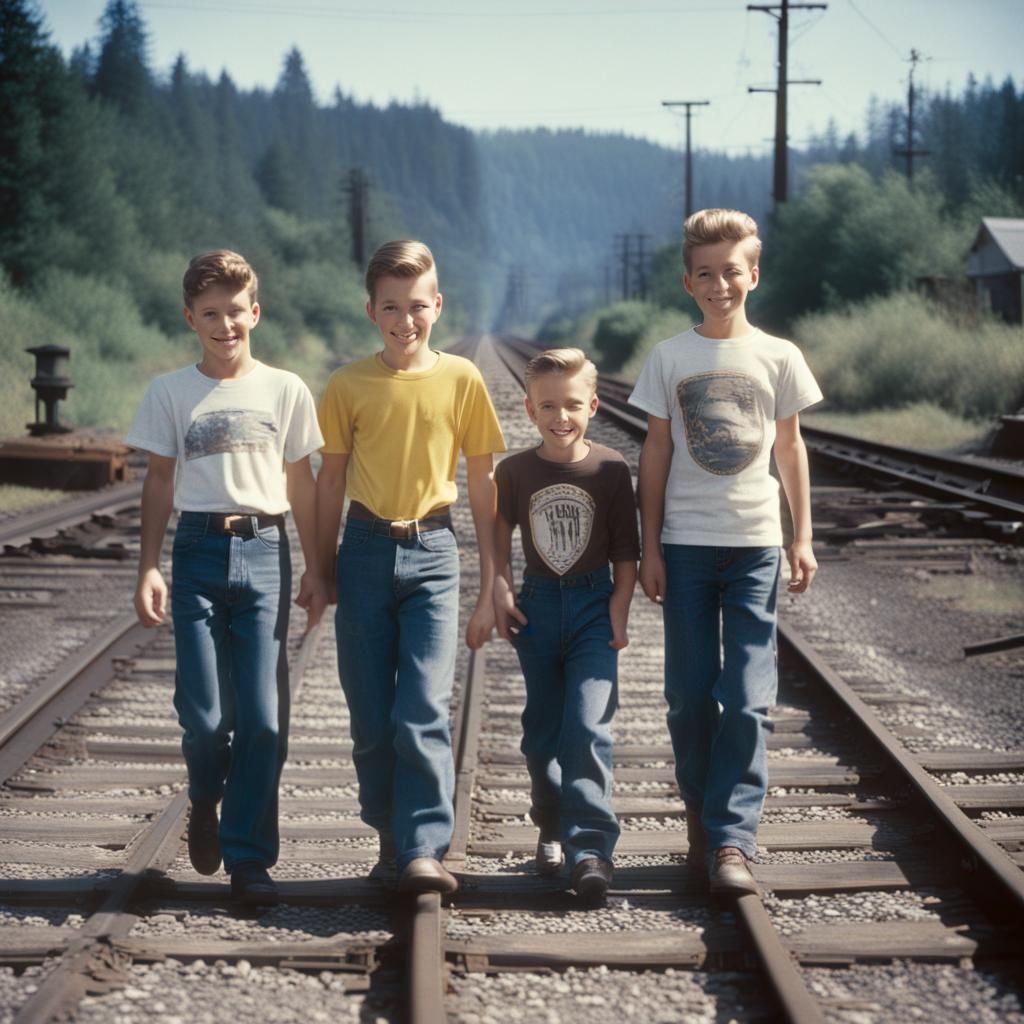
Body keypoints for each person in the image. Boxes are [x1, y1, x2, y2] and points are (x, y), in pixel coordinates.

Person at [628, 208, 822, 895]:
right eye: (705, 274)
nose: (719, 285)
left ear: (753, 274)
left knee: (745, 698)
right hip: (683, 548)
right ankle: (699, 818)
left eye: (731, 272)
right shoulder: (670, 357)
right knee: (686, 695)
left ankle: (733, 840)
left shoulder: (778, 356)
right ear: (688, 281)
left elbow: (792, 448)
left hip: (753, 547)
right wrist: (648, 545)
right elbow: (654, 453)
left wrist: (801, 535)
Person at [128, 250, 326, 906]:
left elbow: (302, 483)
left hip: (268, 550)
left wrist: (318, 564)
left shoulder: (285, 389)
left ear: (255, 313)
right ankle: (206, 795)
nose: (224, 325)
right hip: (199, 553)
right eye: (210, 314)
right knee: (208, 718)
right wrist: (148, 566)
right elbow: (159, 481)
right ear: (191, 318)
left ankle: (250, 860)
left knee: (265, 721)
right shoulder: (170, 392)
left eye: (235, 312)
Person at [315, 239, 505, 895]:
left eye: (417, 307)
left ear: (438, 306)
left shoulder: (462, 381)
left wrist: (493, 577)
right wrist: (319, 567)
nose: (406, 321)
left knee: (421, 707)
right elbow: (328, 481)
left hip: (434, 553)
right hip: (364, 550)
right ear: (372, 311)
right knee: (371, 717)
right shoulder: (347, 386)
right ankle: (390, 837)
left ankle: (424, 845)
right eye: (391, 308)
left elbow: (482, 484)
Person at [493, 348, 639, 906]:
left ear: (594, 406)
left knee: (587, 728)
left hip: (591, 607)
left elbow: (626, 550)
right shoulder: (515, 471)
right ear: (530, 409)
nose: (561, 417)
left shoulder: (609, 469)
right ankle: (550, 821)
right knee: (541, 738)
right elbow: (499, 536)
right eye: (548, 406)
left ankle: (590, 851)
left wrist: (619, 610)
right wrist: (500, 588)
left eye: (572, 406)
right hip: (537, 606)